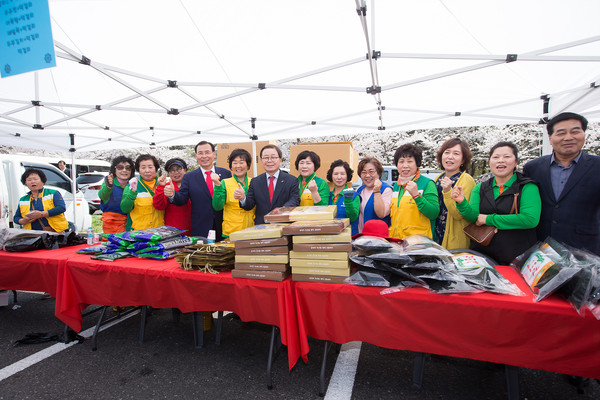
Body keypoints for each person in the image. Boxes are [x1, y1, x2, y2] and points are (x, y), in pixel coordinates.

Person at [524, 112, 600, 256]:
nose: (568, 137)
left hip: (585, 250)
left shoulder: (597, 166)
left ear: (584, 134)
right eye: (561, 133)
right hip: (540, 249)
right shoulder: (533, 167)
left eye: (575, 131)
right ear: (550, 138)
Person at [452, 141, 541, 264]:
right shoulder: (480, 188)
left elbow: (530, 219)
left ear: (516, 162)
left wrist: (488, 219)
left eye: (507, 157)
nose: (500, 160)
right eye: (496, 157)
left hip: (517, 256)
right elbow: (473, 218)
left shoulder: (527, 187)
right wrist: (462, 203)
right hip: (483, 255)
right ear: (490, 162)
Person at [167, 141, 231, 239]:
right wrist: (172, 195)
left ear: (214, 154)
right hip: (201, 227)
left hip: (224, 225)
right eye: (200, 153)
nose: (204, 156)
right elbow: (182, 199)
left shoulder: (226, 174)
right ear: (196, 156)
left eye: (207, 152)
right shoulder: (189, 177)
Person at [238, 144, 300, 225]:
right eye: (266, 158)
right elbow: (249, 205)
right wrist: (242, 198)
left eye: (273, 157)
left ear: (280, 160)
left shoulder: (292, 180)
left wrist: (282, 210)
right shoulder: (255, 182)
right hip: (261, 227)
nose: (269, 160)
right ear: (261, 160)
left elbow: (294, 200)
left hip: (283, 225)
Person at [388, 143, 439, 240]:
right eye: (401, 161)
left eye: (410, 161)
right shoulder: (397, 186)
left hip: (419, 244)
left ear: (417, 164)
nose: (405, 165)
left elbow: (433, 213)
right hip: (397, 241)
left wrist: (416, 195)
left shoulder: (427, 183)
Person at [434, 138, 475, 249]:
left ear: (463, 160)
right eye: (447, 152)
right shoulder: (439, 178)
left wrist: (447, 191)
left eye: (456, 154)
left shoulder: (466, 180)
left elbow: (458, 214)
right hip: (436, 235)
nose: (450, 157)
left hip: (454, 238)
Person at [211, 148, 255, 238]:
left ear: (248, 165)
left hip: (252, 230)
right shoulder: (224, 183)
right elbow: (217, 206)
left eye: (242, 162)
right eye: (235, 163)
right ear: (231, 166)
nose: (238, 166)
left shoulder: (254, 182)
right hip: (231, 232)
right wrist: (217, 186)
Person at [121, 154, 165, 231]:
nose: (147, 170)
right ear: (139, 169)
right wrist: (132, 192)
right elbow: (125, 209)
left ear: (156, 168)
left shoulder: (162, 185)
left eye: (150, 167)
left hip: (159, 232)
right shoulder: (132, 185)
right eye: (143, 167)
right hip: (138, 233)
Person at [350, 157, 392, 236]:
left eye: (371, 172)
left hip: (377, 238)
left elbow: (381, 214)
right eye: (364, 172)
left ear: (378, 173)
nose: (367, 175)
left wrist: (377, 191)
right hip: (360, 236)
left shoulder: (386, 190)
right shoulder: (360, 190)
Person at [154, 158, 192, 235]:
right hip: (173, 230)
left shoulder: (193, 185)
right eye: (172, 170)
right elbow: (159, 206)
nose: (176, 172)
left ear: (185, 170)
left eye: (179, 169)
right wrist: (161, 187)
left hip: (193, 228)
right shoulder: (167, 187)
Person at [98, 156, 135, 233]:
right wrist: (108, 186)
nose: (124, 170)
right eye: (120, 167)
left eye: (128, 168)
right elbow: (102, 196)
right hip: (112, 226)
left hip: (131, 225)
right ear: (114, 170)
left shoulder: (133, 184)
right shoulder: (109, 182)